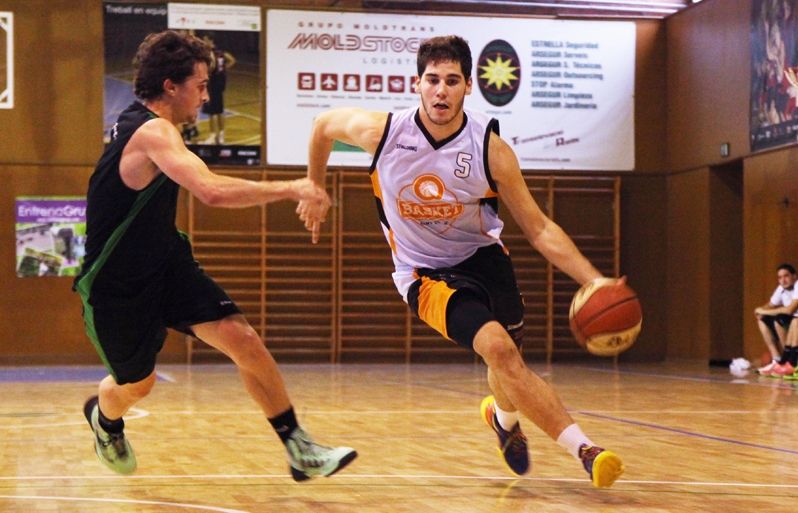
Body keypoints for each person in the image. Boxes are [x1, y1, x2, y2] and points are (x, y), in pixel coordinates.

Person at [298, 35, 624, 488]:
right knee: (500, 350)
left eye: (452, 81)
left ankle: (503, 420)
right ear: (417, 84)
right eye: (432, 80)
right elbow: (321, 125)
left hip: (484, 260)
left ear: (468, 87)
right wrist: (315, 188)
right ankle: (586, 450)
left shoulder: (490, 150)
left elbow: (540, 228)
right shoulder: (384, 134)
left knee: (507, 364)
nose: (441, 91)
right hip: (423, 274)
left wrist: (597, 282)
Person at [73, 30, 355, 480]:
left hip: (165, 263)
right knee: (137, 385)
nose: (206, 96)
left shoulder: (153, 128)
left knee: (242, 339)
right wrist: (292, 187)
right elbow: (211, 191)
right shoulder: (151, 132)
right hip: (116, 285)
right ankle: (104, 419)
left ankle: (298, 447)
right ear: (170, 85)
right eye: (200, 85)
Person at [754, 263, 798, 376]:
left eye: (786, 276)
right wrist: (760, 311)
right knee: (763, 320)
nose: (783, 280)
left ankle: (789, 361)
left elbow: (790, 310)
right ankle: (777, 359)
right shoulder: (781, 289)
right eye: (780, 277)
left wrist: (763, 311)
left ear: (794, 276)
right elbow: (770, 305)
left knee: (785, 321)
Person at [201, 33, 236, 145]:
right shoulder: (221, 53)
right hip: (220, 84)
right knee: (219, 111)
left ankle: (213, 135)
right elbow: (232, 60)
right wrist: (224, 69)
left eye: (205, 39)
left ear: (211, 41)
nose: (204, 41)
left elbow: (211, 67)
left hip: (212, 84)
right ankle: (220, 135)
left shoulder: (209, 53)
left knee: (212, 111)